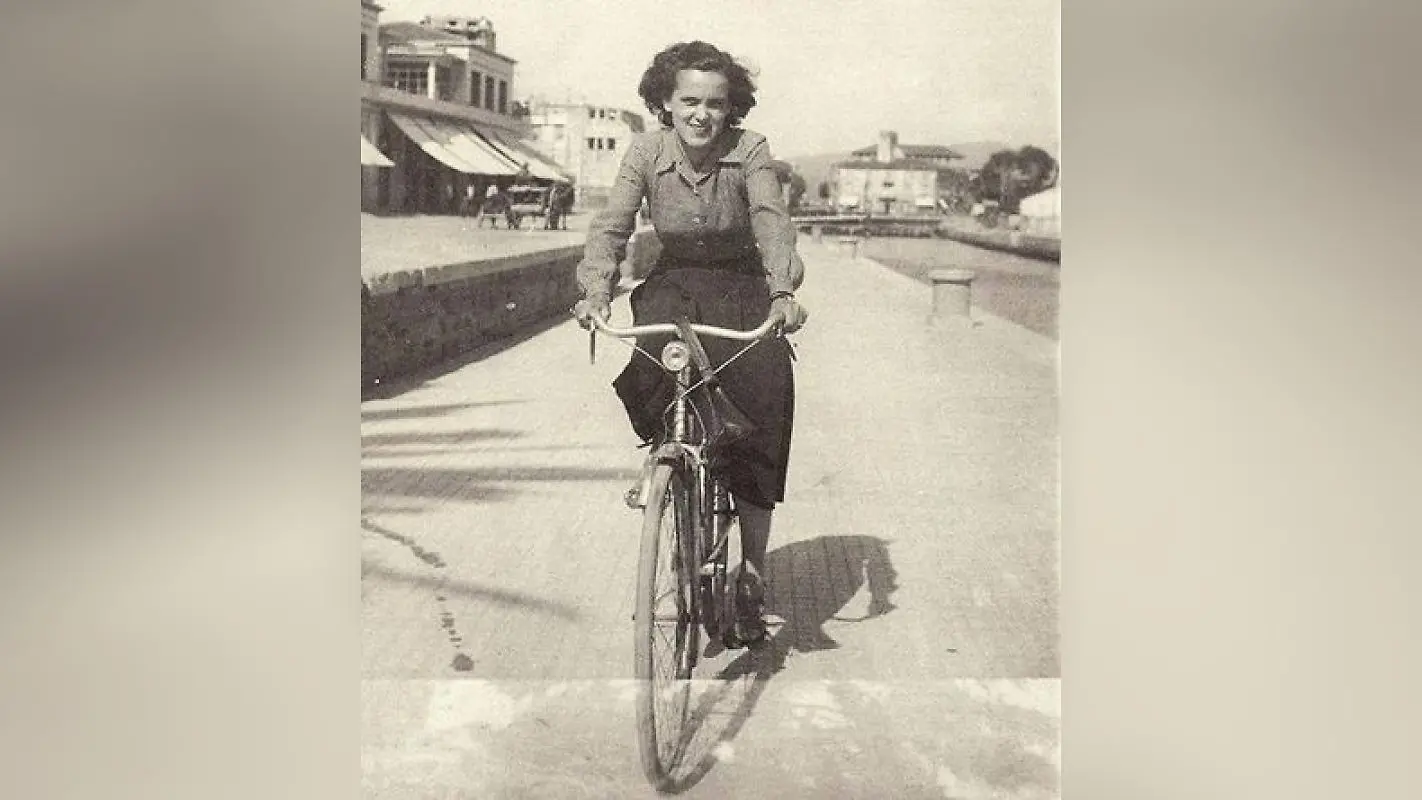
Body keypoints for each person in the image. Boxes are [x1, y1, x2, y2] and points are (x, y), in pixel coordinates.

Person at [573, 40, 808, 646]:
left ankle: (752, 572)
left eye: (715, 104)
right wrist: (596, 292)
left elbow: (772, 224)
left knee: (763, 393)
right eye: (689, 102)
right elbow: (612, 226)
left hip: (742, 284)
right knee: (654, 364)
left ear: (731, 108)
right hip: (675, 280)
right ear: (666, 103)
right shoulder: (646, 151)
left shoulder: (749, 149)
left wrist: (782, 293)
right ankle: (672, 466)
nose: (702, 115)